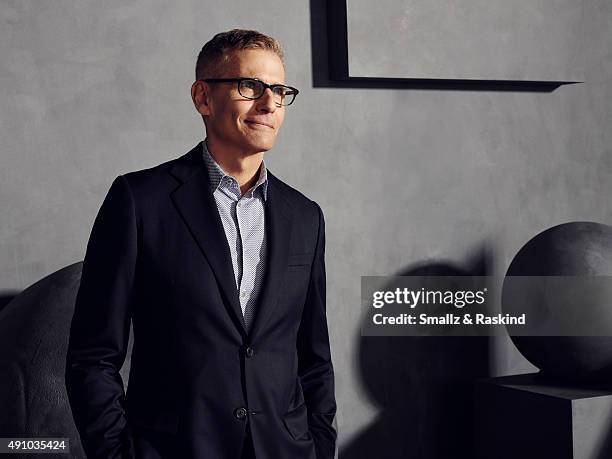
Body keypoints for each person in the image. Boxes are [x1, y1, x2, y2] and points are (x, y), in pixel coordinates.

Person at [65, 29, 337, 459]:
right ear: (203, 98)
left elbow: (313, 358)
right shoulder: (140, 202)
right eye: (250, 87)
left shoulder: (305, 216)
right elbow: (93, 356)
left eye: (280, 90)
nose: (269, 103)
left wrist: (320, 447)